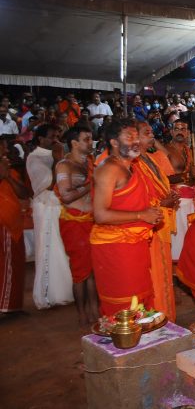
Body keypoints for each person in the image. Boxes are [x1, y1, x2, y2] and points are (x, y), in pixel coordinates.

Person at [90, 119, 162, 315]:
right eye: (129, 137)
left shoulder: (133, 166)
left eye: (137, 137)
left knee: (140, 298)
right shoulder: (109, 169)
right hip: (116, 247)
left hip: (135, 243)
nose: (136, 141)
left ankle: (141, 342)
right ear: (114, 142)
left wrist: (152, 212)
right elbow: (100, 214)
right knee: (124, 305)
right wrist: (141, 215)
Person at [135, 122, 180, 321]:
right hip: (148, 225)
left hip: (160, 222)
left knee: (164, 274)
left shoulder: (151, 157)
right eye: (146, 133)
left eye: (152, 132)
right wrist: (162, 202)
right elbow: (135, 200)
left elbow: (169, 170)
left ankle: (167, 318)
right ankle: (156, 319)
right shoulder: (132, 163)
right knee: (154, 276)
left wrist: (169, 199)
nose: (151, 135)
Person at [55, 126, 99, 324]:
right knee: (81, 272)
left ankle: (95, 310)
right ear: (74, 143)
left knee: (93, 270)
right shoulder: (64, 165)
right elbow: (66, 196)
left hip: (92, 221)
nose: (91, 143)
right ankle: (82, 313)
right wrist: (91, 184)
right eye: (86, 139)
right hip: (74, 222)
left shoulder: (90, 163)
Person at [27, 125, 73, 309]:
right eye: (52, 137)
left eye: (57, 136)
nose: (56, 140)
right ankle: (49, 295)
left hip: (59, 206)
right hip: (45, 207)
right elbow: (48, 185)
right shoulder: (34, 158)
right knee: (49, 249)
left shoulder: (58, 156)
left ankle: (66, 291)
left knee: (62, 249)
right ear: (40, 139)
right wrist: (57, 160)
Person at [0, 139, 30, 313]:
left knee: (15, 265)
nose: (5, 150)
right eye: (1, 147)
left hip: (14, 224)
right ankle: (4, 306)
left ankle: (13, 305)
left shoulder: (10, 170)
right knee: (6, 266)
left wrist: (8, 176)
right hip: (4, 224)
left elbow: (24, 193)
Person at [164, 119, 195, 260]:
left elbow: (191, 178)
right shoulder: (165, 150)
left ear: (188, 133)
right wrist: (187, 175)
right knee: (177, 236)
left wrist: (194, 174)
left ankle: (186, 265)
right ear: (172, 132)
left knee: (188, 235)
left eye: (183, 129)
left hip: (190, 201)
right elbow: (164, 178)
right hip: (176, 200)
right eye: (177, 128)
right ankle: (175, 266)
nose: (180, 131)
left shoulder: (189, 151)